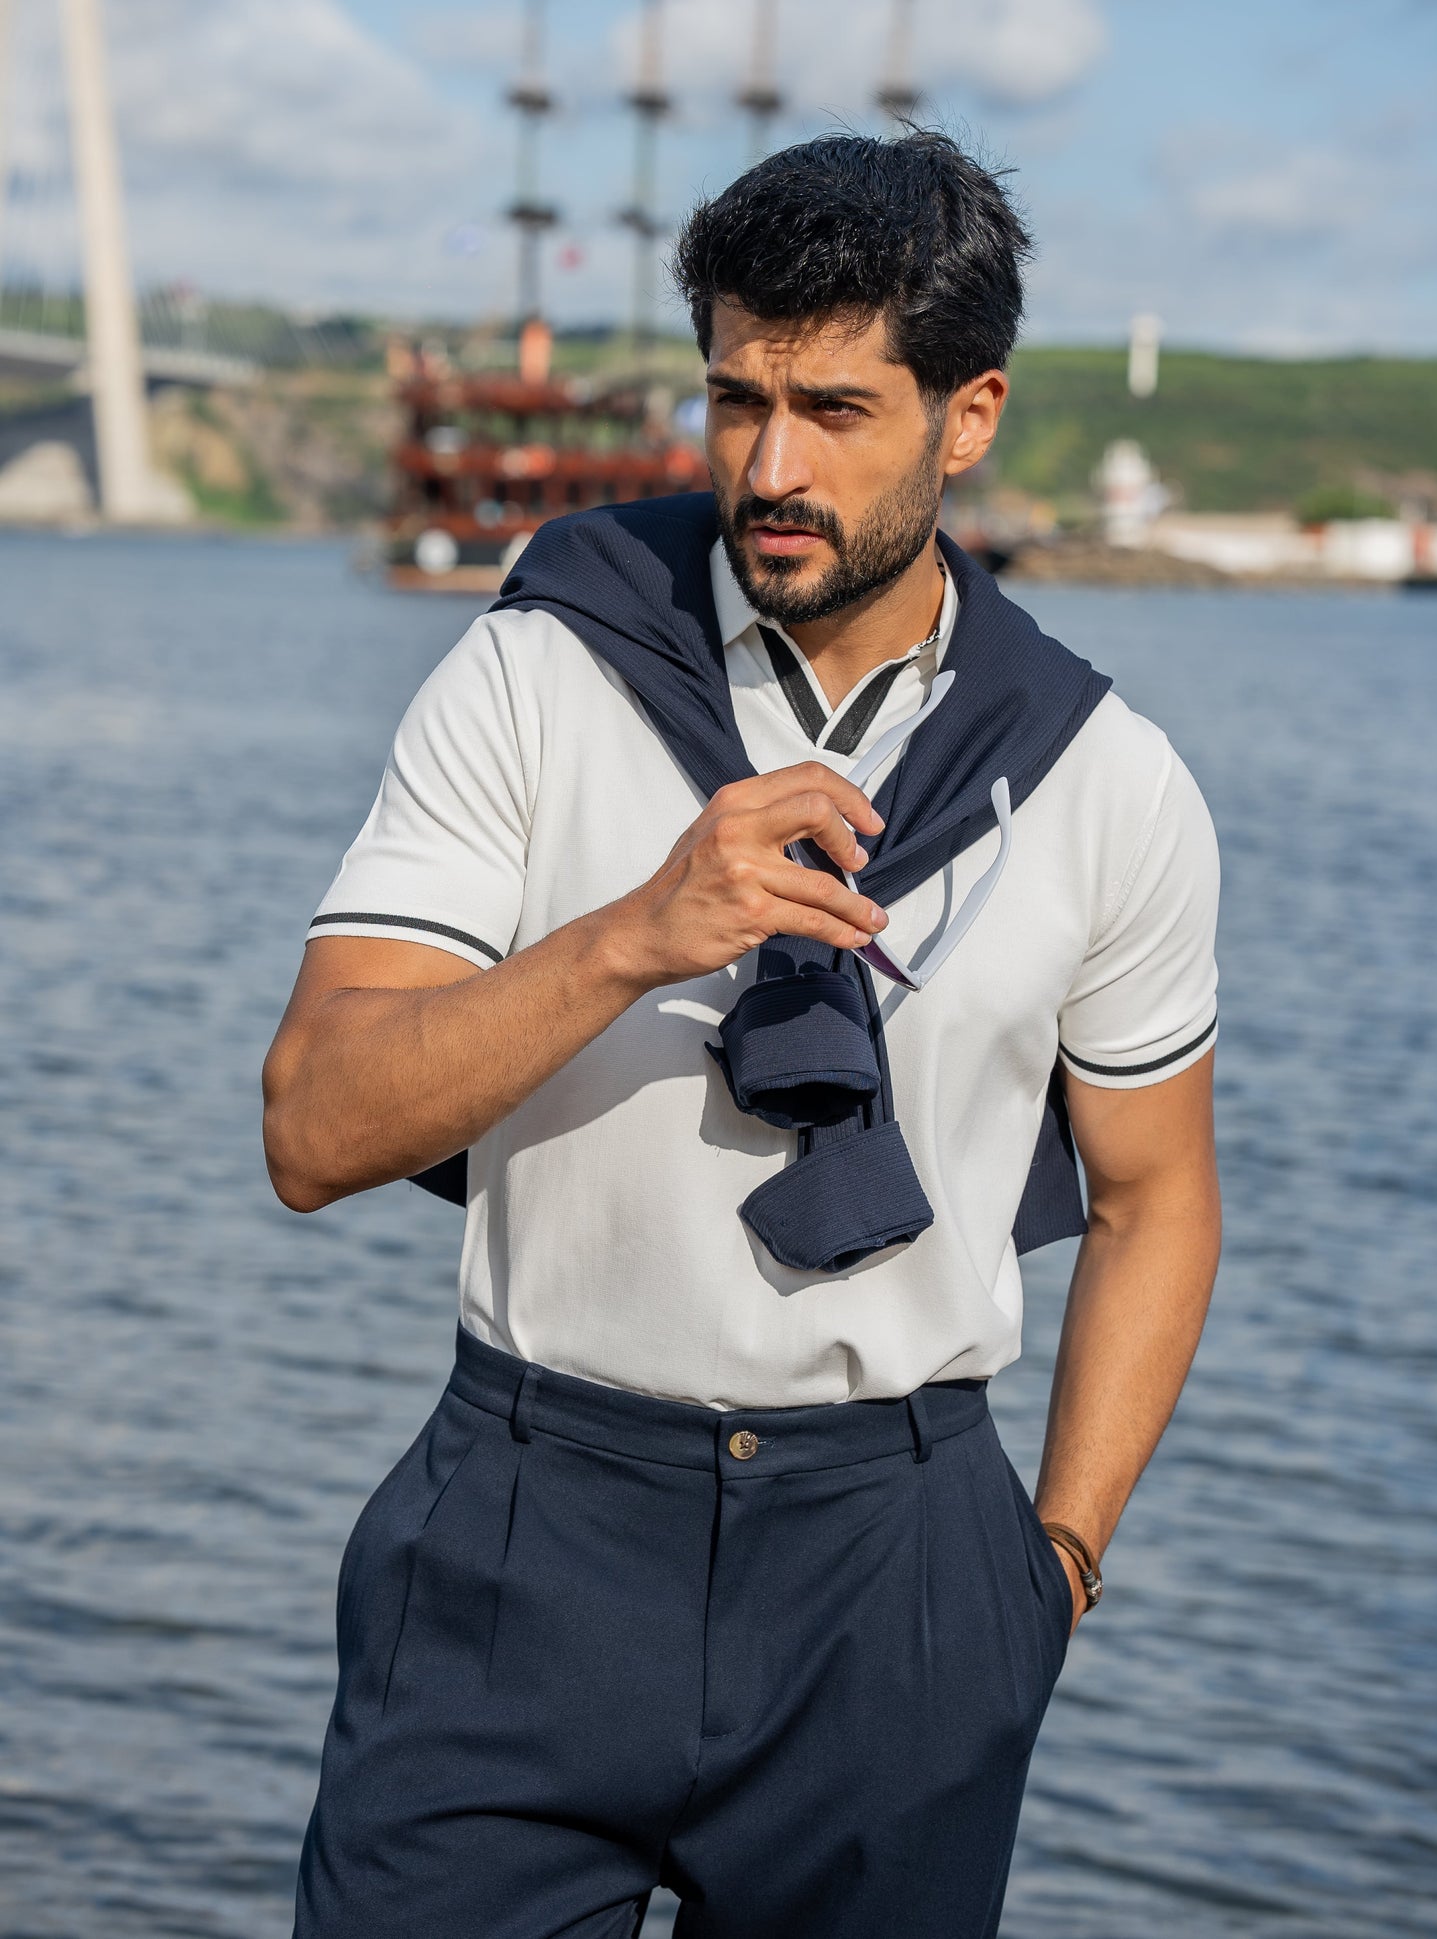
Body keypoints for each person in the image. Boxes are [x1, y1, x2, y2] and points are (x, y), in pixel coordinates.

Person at [264, 130, 1221, 1939]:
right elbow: (312, 1128)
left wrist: (1050, 1572)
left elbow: (1155, 1197)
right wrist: (634, 934)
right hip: (527, 1530)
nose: (768, 468)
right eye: (733, 398)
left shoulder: (1108, 781)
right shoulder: (538, 669)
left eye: (836, 409)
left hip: (900, 1573)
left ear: (970, 414)